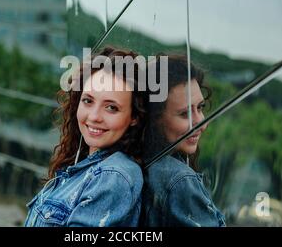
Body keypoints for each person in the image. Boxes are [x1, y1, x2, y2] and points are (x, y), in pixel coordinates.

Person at [24, 46, 147, 227]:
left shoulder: (113, 176)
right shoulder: (83, 166)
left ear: (134, 117)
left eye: (111, 107)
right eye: (88, 101)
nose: (94, 116)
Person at [140, 54, 226, 227]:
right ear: (155, 119)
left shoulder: (139, 163)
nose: (200, 123)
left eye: (200, 107)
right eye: (184, 113)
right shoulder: (179, 180)